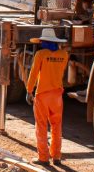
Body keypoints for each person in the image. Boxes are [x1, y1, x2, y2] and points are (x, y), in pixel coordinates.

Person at [26, 28, 70, 165]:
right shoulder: (64, 55)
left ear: (43, 42)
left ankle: (43, 158)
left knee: (41, 126)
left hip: (42, 95)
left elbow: (33, 73)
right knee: (57, 126)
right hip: (57, 96)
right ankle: (56, 156)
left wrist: (29, 90)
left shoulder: (40, 54)